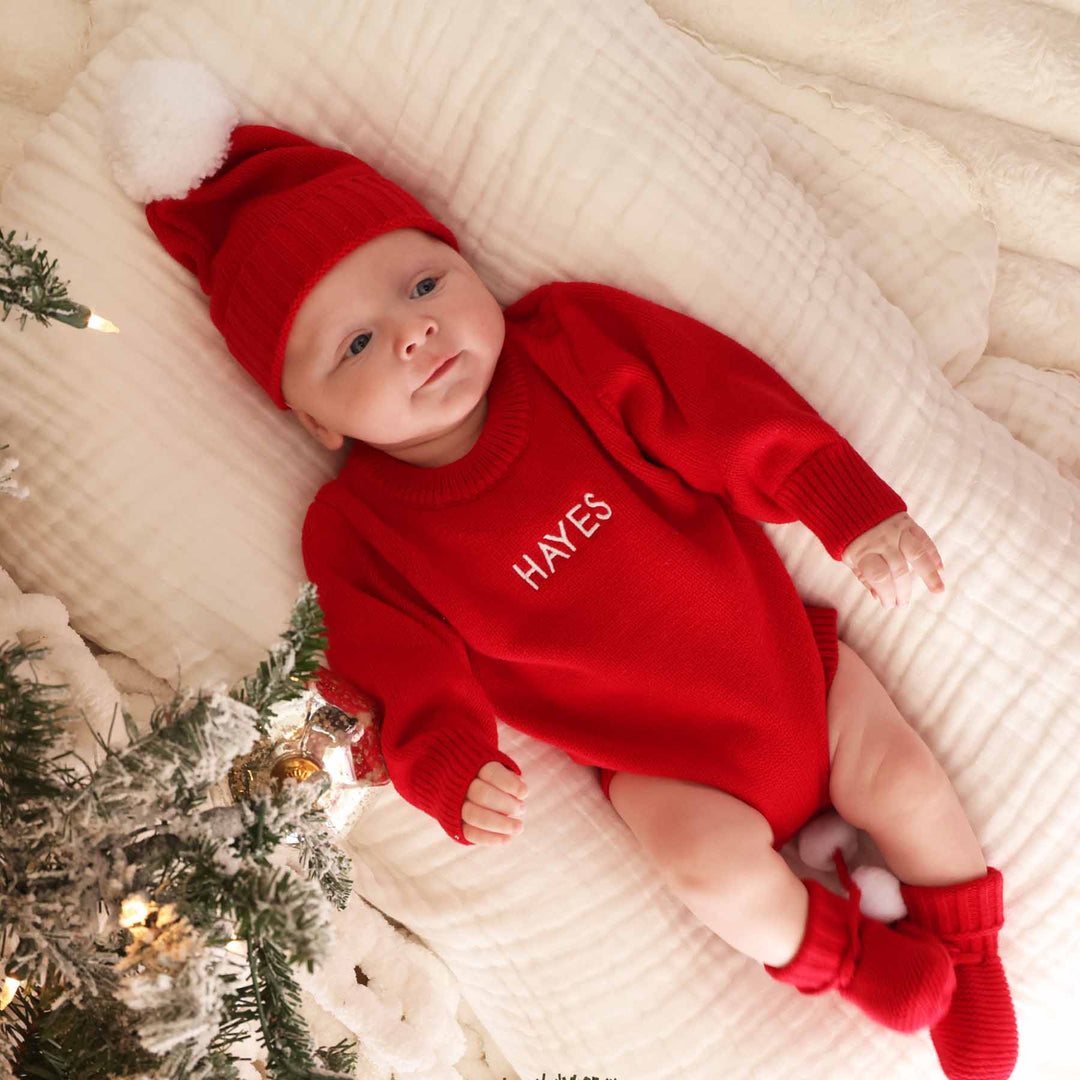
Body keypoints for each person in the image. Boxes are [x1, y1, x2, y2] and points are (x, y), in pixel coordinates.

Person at [114, 105, 1018, 1080]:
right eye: (358, 347)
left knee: (905, 780)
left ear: (464, 263)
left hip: (798, 672)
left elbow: (720, 404)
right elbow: (392, 668)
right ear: (314, 419)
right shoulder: (360, 531)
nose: (415, 332)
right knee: (706, 867)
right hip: (668, 771)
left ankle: (968, 956)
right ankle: (851, 960)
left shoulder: (572, 346)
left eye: (425, 283)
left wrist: (840, 504)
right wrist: (450, 764)